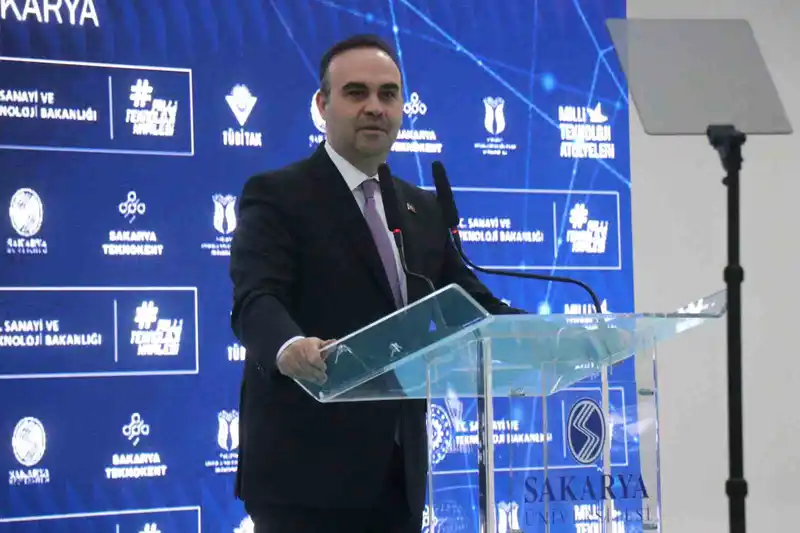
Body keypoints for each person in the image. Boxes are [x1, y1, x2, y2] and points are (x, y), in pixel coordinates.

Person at [229, 33, 524, 533]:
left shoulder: (422, 207)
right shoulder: (278, 196)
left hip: (397, 477)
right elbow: (256, 298)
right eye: (356, 93)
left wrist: (543, 333)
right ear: (322, 105)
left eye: (388, 94)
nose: (374, 107)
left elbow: (468, 302)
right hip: (304, 480)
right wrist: (289, 346)